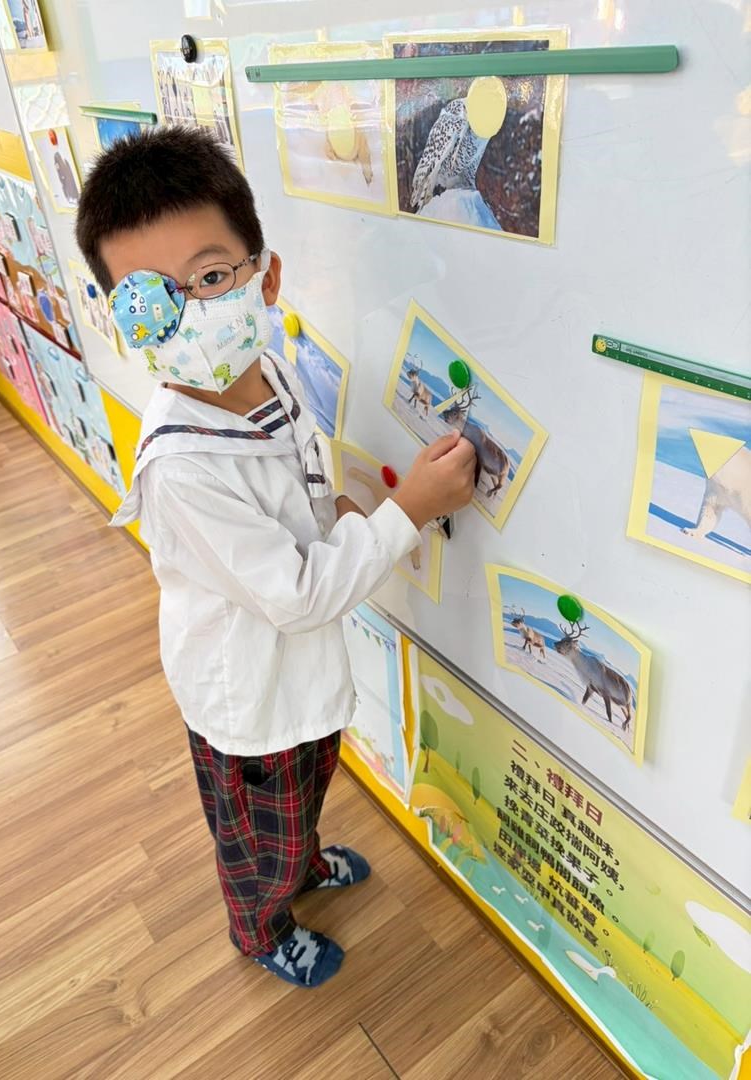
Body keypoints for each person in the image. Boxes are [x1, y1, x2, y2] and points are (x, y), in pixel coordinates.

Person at [75, 126, 476, 989]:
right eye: (152, 300)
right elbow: (295, 595)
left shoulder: (272, 369)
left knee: (306, 791)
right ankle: (259, 925)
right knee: (259, 837)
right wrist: (406, 512)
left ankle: (303, 861)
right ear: (123, 317)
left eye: (210, 277)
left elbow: (301, 469)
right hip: (248, 702)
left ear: (265, 277)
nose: (190, 312)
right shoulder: (182, 466)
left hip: (299, 682)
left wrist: (335, 507)